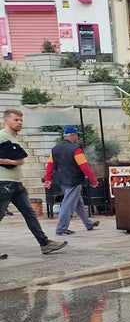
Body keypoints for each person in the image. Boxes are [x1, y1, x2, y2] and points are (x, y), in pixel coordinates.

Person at [0, 109, 68, 255]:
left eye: (21, 120)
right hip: (3, 183)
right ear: (6, 120)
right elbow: (14, 161)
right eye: (16, 120)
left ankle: (45, 244)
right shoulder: (1, 136)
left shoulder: (13, 137)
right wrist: (12, 161)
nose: (19, 122)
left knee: (30, 213)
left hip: (16, 183)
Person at [45, 126, 100, 235]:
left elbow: (50, 165)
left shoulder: (55, 148)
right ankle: (61, 228)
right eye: (77, 135)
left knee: (78, 202)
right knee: (68, 204)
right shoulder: (76, 149)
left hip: (61, 180)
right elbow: (84, 166)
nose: (78, 138)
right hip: (74, 180)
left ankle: (88, 223)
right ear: (73, 135)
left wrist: (48, 179)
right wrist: (93, 180)